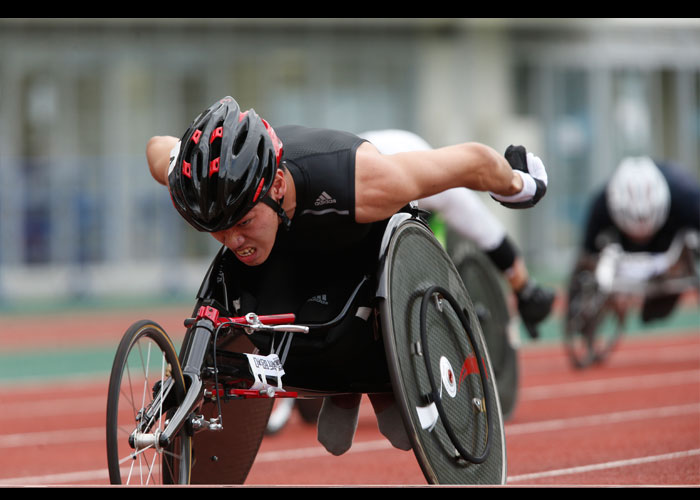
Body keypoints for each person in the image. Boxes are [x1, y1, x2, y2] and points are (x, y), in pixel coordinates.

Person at [146, 96, 549, 457]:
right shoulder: (210, 181)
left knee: (398, 226)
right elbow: (156, 150)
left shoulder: (375, 180)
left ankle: (370, 371)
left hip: (359, 182)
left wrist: (522, 183)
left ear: (278, 184)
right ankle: (334, 376)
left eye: (243, 222)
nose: (232, 239)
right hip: (302, 203)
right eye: (218, 229)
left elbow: (476, 166)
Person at [359, 129, 555, 339]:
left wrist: (525, 290)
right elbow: (493, 238)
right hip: (368, 166)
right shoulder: (415, 180)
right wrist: (525, 291)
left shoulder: (433, 184)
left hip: (372, 163)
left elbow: (491, 236)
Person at [570, 155, 700, 323]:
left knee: (657, 311)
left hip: (669, 240)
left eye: (646, 226)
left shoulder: (686, 197)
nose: (641, 234)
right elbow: (587, 254)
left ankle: (664, 294)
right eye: (635, 229)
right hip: (623, 244)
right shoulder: (601, 204)